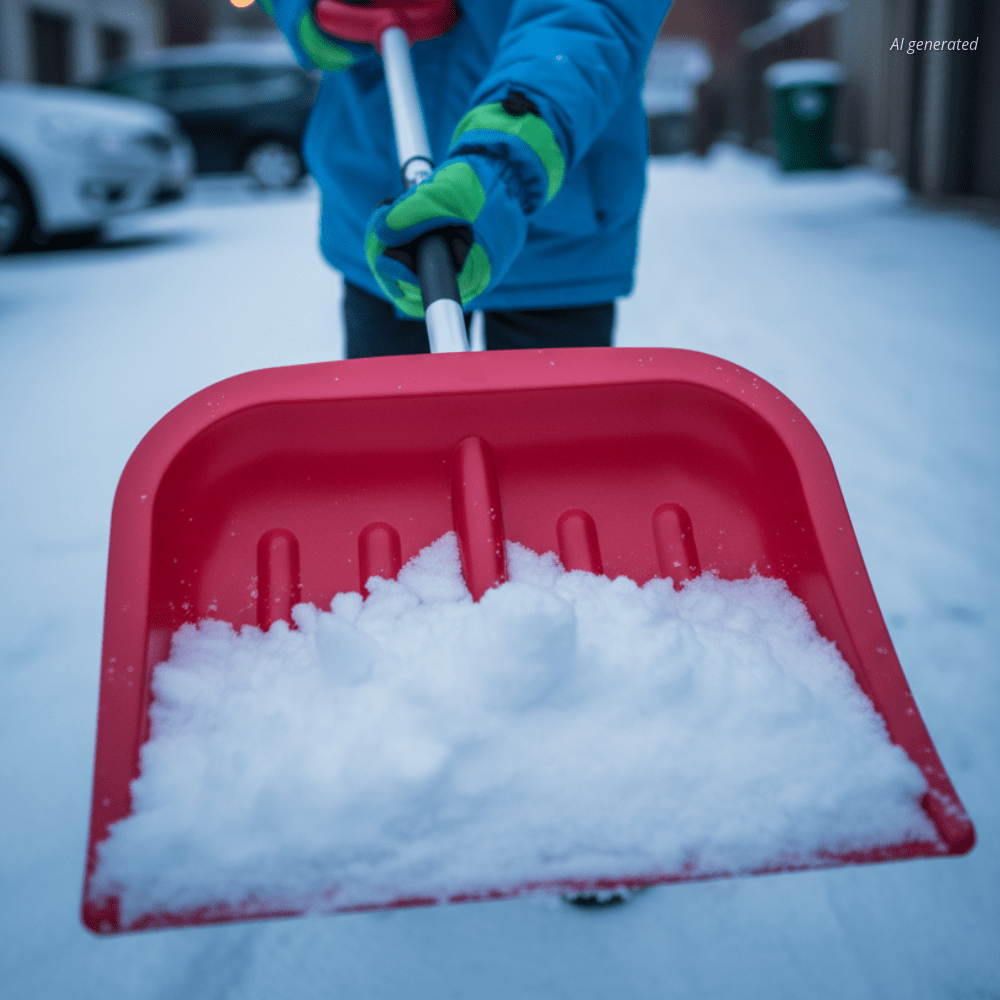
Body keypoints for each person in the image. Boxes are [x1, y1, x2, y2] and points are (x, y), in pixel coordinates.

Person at [259, 0, 672, 357]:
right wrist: (307, 11)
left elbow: (589, 17)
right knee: (400, 444)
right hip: (386, 230)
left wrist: (503, 161)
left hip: (555, 229)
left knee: (541, 444)